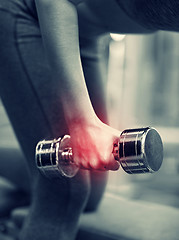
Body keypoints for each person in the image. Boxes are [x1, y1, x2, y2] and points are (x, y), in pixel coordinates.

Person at [0, 0, 178, 239]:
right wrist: (81, 121)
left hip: (85, 35)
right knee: (66, 189)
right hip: (27, 13)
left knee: (90, 192)